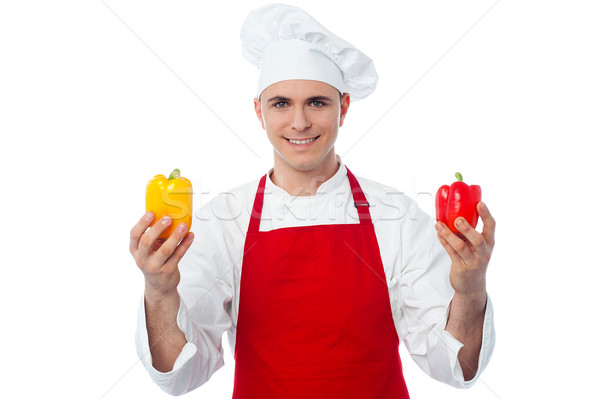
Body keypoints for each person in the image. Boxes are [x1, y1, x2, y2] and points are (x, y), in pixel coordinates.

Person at [130, 4, 496, 398]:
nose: (299, 122)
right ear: (259, 111)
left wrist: (471, 289)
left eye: (317, 102)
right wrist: (159, 290)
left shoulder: (398, 217)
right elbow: (180, 374)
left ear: (344, 107)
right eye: (281, 103)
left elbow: (456, 367)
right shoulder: (223, 222)